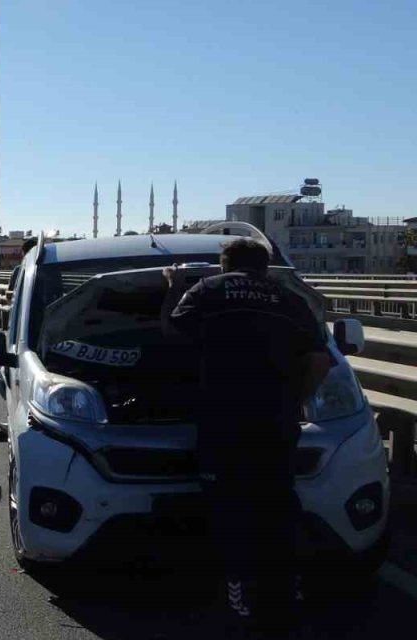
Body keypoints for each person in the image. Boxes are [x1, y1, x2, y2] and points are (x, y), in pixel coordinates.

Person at [162, 237, 331, 627]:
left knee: (229, 504)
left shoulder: (207, 289)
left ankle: (239, 585)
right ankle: (287, 586)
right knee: (278, 501)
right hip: (276, 421)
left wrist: (173, 286)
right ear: (266, 267)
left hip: (223, 418)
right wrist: (296, 401)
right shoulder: (288, 298)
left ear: (224, 265)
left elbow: (173, 330)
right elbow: (320, 358)